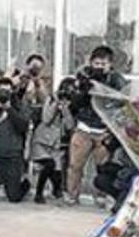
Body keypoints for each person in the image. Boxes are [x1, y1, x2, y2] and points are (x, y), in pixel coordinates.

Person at [65, 45, 127, 205]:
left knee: (103, 167)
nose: (99, 67)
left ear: (110, 64)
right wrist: (84, 88)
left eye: (103, 64)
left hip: (104, 131)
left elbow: (122, 101)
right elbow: (75, 103)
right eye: (96, 63)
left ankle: (100, 197)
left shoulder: (116, 80)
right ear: (91, 62)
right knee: (74, 165)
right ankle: (72, 196)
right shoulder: (84, 76)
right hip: (84, 128)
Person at [30, 77, 74, 204]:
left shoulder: (72, 104)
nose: (66, 94)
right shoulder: (51, 99)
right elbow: (46, 119)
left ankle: (57, 191)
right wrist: (56, 103)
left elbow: (70, 126)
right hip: (41, 141)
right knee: (49, 165)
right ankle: (39, 194)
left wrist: (65, 109)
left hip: (55, 145)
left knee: (57, 172)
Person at [0, 83, 32, 202]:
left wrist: (9, 108)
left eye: (7, 93)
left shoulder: (19, 107)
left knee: (14, 197)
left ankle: (25, 184)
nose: (4, 96)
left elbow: (23, 126)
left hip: (13, 154)